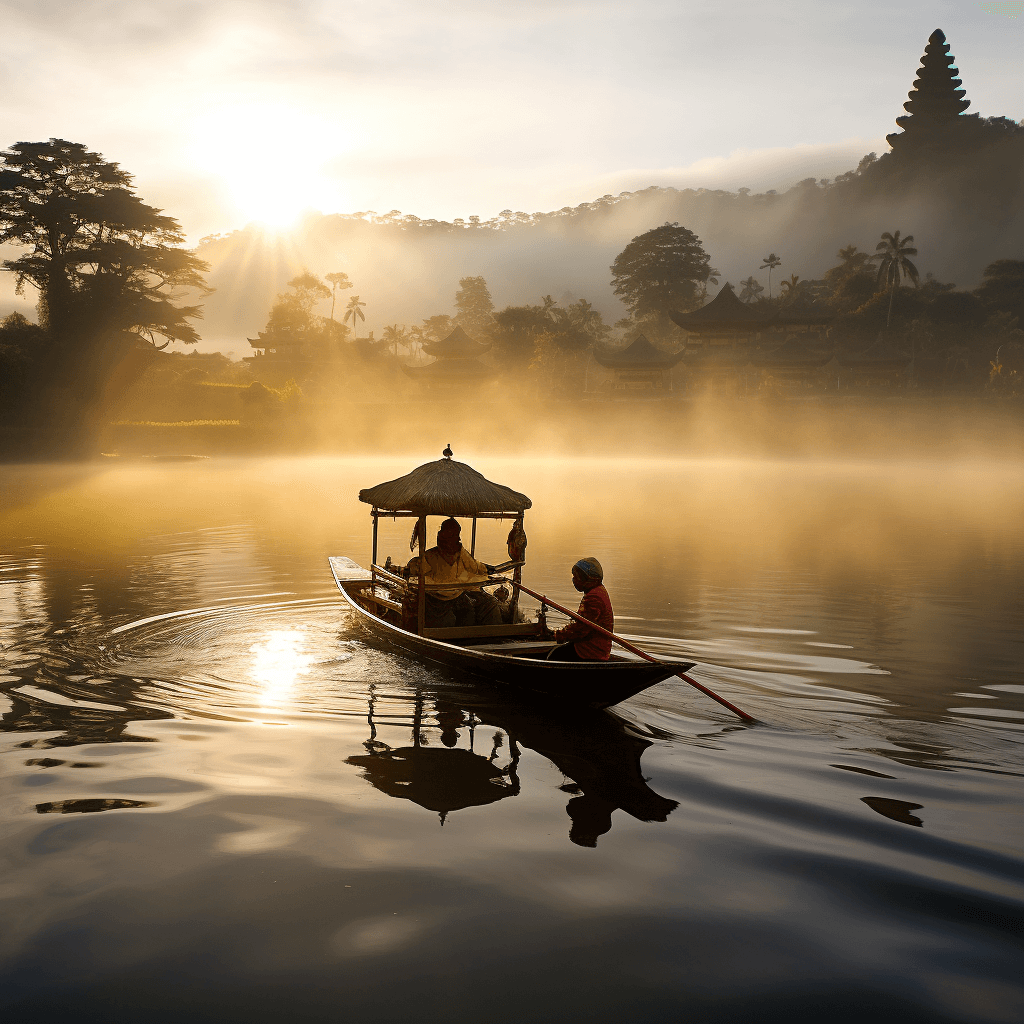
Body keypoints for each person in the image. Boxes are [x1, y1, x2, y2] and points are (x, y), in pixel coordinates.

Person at [406, 518, 503, 628]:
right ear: (443, 536)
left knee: (471, 611)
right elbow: (417, 569)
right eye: (452, 535)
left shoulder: (460, 553)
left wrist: (488, 569)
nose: (457, 539)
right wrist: (411, 567)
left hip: (457, 594)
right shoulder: (430, 556)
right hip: (436, 597)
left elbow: (475, 566)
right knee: (448, 619)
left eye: (456, 535)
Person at [546, 557, 613, 661]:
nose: (573, 580)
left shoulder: (594, 597)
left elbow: (581, 629)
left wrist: (558, 635)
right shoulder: (597, 591)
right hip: (593, 647)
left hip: (591, 651)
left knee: (555, 655)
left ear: (587, 579)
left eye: (576, 577)